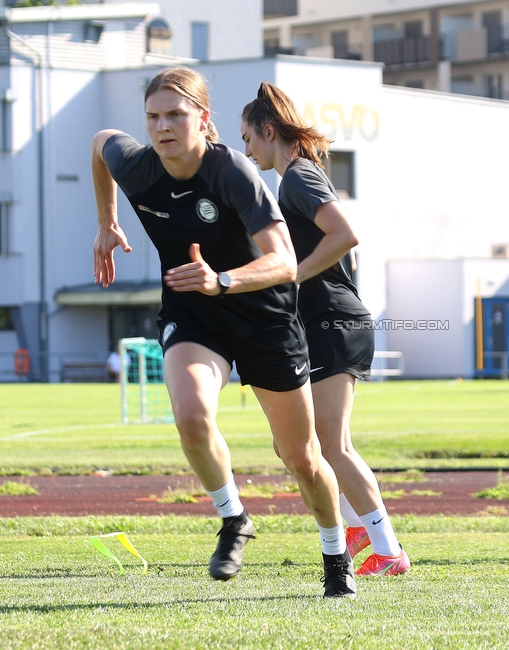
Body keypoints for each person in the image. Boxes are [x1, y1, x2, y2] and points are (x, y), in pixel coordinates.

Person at [90, 67, 356, 597]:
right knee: (189, 413)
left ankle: (335, 553)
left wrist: (223, 279)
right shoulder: (140, 166)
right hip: (195, 313)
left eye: (175, 114)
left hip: (265, 316)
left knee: (303, 458)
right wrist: (106, 220)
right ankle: (234, 518)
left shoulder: (232, 171)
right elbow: (100, 144)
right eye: (153, 116)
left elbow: (283, 261)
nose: (162, 126)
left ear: (203, 120)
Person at [240, 82, 410, 576]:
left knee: (332, 445)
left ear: (270, 132)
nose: (246, 150)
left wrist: (294, 273)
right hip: (319, 323)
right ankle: (357, 527)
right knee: (294, 445)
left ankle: (388, 551)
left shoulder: (297, 177)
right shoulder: (292, 178)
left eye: (248, 138)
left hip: (336, 321)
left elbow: (345, 234)